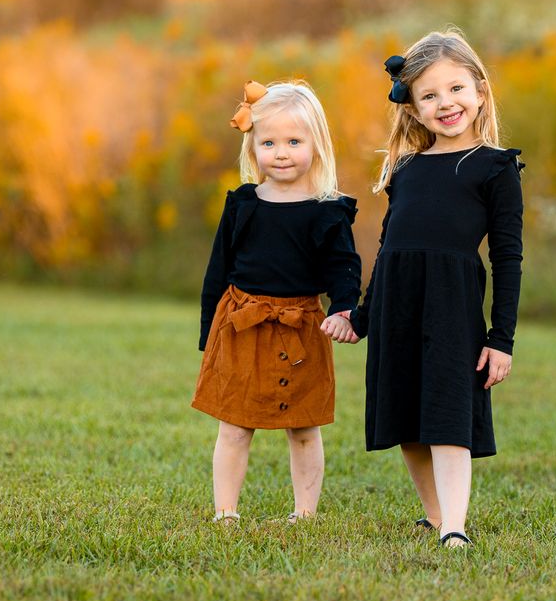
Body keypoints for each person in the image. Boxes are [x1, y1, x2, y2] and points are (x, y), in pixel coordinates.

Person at [350, 29, 524, 548]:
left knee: (448, 416)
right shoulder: (404, 169)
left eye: (455, 89)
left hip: (453, 309)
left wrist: (502, 338)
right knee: (406, 418)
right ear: (414, 109)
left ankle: (455, 527)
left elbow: (507, 258)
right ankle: (433, 513)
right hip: (397, 307)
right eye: (429, 95)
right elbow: (387, 250)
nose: (445, 103)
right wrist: (361, 315)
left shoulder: (494, 168)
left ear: (480, 91)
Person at [193, 80, 360, 524]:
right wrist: (210, 332)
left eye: (293, 141)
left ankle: (304, 512)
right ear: (253, 148)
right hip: (241, 322)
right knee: (234, 426)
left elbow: (344, 268)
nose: (281, 152)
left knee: (304, 427)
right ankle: (225, 512)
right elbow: (218, 271)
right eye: (268, 142)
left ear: (316, 145)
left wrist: (346, 309)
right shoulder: (243, 205)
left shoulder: (327, 210)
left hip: (300, 325)